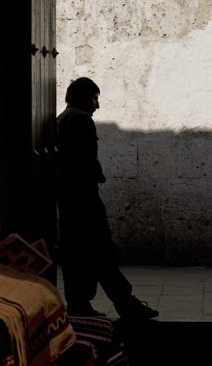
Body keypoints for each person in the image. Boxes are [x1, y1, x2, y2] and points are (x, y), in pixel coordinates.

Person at [55, 76, 159, 320]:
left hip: (69, 199)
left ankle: (80, 303)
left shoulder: (62, 119)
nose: (97, 105)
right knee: (103, 252)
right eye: (95, 99)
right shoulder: (81, 120)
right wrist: (98, 175)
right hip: (84, 198)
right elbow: (84, 161)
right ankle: (125, 303)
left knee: (77, 254)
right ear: (84, 98)